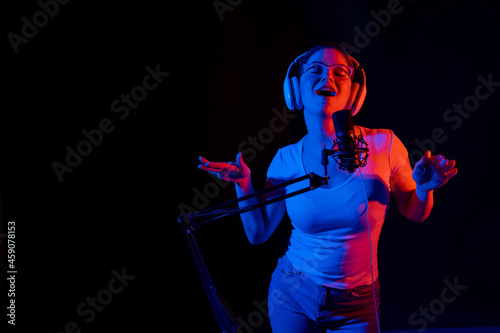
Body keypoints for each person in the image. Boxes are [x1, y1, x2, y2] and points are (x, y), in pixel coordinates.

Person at [198, 42, 458, 333]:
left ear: (354, 93)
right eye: (316, 70)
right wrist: (243, 184)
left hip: (357, 304)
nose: (328, 78)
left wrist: (425, 189)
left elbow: (415, 212)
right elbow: (258, 233)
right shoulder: (285, 160)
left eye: (340, 72)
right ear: (295, 89)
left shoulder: (384, 145)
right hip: (292, 293)